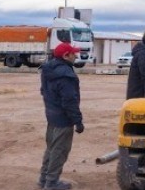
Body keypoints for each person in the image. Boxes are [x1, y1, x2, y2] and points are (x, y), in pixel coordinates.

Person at [38, 43, 84, 190]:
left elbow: (43, 91)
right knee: (60, 151)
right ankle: (51, 183)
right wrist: (78, 121)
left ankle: (44, 178)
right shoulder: (66, 75)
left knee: (51, 148)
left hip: (51, 116)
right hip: (63, 119)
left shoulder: (48, 69)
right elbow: (69, 101)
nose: (75, 56)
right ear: (66, 56)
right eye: (73, 54)